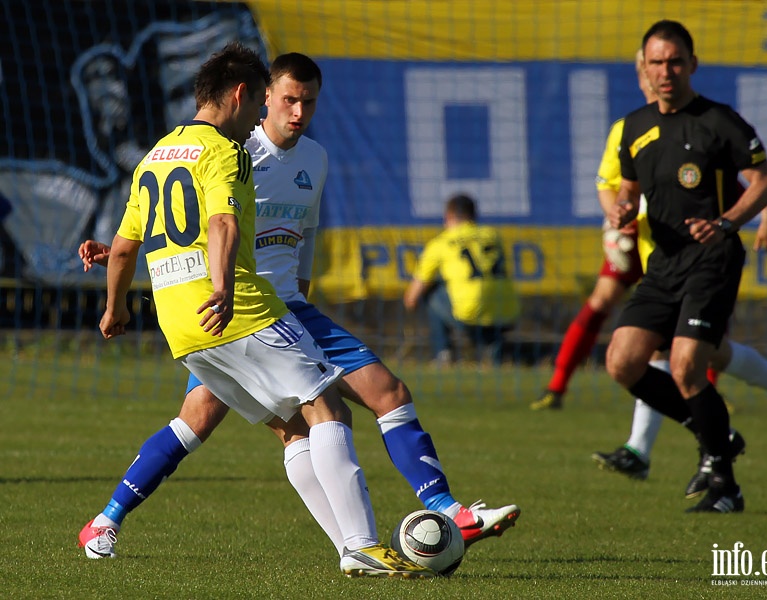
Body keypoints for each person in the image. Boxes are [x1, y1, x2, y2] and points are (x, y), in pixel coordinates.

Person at [78, 52, 520, 562]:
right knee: (344, 404)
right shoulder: (236, 150)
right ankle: (403, 529)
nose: (298, 111)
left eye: (308, 102)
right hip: (244, 306)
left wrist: (124, 266)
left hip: (254, 309)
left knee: (233, 420)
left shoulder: (313, 159)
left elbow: (292, 235)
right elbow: (212, 222)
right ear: (260, 95)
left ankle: (106, 520)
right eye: (288, 99)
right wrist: (219, 284)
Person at [605, 20, 767, 514]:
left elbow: (765, 182)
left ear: (692, 64)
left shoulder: (720, 121)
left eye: (675, 61)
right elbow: (629, 190)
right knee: (623, 361)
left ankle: (726, 484)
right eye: (656, 62)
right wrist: (621, 208)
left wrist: (726, 223)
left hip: (712, 260)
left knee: (686, 366)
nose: (666, 71)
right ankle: (713, 431)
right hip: (664, 264)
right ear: (645, 68)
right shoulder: (633, 126)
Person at [403, 194, 520, 366]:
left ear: (448, 216)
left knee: (433, 291)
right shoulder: (493, 235)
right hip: (508, 312)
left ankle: (443, 355)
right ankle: (493, 350)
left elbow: (411, 299)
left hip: (470, 314)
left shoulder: (441, 242)